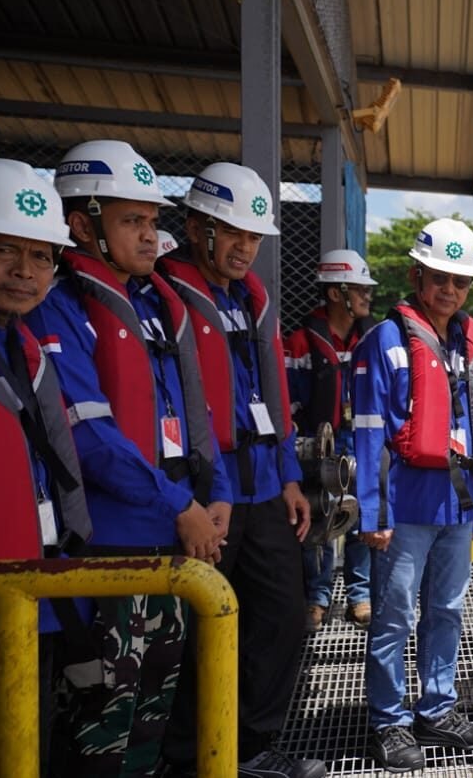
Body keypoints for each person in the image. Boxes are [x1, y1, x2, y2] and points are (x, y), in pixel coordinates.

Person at [26, 139, 230, 777]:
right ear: (82, 225)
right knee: (101, 730)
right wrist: (181, 506)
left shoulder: (149, 306)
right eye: (132, 221)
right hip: (113, 552)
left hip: (175, 536)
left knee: (150, 721)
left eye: (153, 221)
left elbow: (190, 415)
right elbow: (86, 438)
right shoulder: (58, 307)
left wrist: (215, 489)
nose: (150, 236)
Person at [156, 163, 324, 778]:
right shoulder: (163, 292)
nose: (243, 248)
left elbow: (269, 401)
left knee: (281, 618)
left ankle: (250, 747)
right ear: (195, 226)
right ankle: (190, 759)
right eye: (231, 233)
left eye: (252, 238)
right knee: (194, 635)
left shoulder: (248, 298)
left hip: (262, 489)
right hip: (205, 495)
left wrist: (288, 478)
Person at [0, 159, 94, 777]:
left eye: (40, 256)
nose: (25, 273)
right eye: (4, 250)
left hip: (32, 607)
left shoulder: (18, 346)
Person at [352, 218, 473, 772]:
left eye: (460, 283)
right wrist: (373, 512)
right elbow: (369, 434)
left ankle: (437, 708)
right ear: (417, 275)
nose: (449, 291)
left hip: (457, 508)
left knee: (448, 610)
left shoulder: (468, 343)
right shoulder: (385, 343)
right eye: (439, 278)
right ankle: (389, 723)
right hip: (404, 509)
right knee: (393, 616)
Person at [286, 249, 376, 632]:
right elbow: (288, 397)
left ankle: (360, 595)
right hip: (319, 443)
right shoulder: (302, 342)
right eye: (360, 289)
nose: (367, 297)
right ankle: (318, 597)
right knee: (321, 517)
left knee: (360, 514)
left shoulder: (371, 338)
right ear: (337, 292)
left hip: (361, 440)